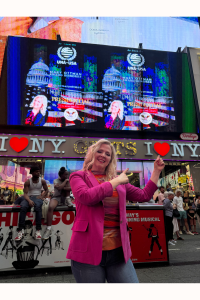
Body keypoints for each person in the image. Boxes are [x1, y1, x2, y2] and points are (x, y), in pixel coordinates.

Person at [66, 138, 165, 283]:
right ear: (91, 154)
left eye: (107, 154)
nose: (103, 155)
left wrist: (156, 171)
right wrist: (115, 181)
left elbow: (144, 195)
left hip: (118, 251)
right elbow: (86, 197)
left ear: (110, 159)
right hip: (87, 251)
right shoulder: (78, 176)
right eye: (99, 151)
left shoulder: (118, 180)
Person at [15, 166, 48, 241]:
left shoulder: (42, 181)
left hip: (37, 197)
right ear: (32, 173)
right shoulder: (28, 182)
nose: (38, 173)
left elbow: (46, 190)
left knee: (38, 207)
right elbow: (25, 194)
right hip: (28, 197)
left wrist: (42, 196)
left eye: (39, 171)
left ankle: (38, 230)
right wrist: (29, 201)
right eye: (36, 171)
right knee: (23, 207)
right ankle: (20, 230)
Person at [42, 167, 73, 240]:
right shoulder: (56, 180)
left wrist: (63, 187)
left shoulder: (68, 181)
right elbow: (59, 189)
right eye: (65, 175)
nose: (66, 176)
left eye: (67, 175)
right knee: (50, 207)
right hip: (57, 197)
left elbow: (71, 188)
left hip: (65, 198)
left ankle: (68, 200)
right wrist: (65, 183)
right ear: (61, 175)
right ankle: (48, 229)